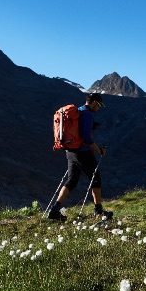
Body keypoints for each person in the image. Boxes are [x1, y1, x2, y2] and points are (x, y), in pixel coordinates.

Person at [48, 93, 113, 221]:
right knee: (96, 178)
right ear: (94, 102)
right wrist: (99, 150)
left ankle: (55, 209)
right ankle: (98, 211)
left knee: (71, 180)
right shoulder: (87, 114)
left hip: (70, 151)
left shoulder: (78, 111)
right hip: (82, 152)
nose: (99, 108)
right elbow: (87, 138)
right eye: (99, 105)